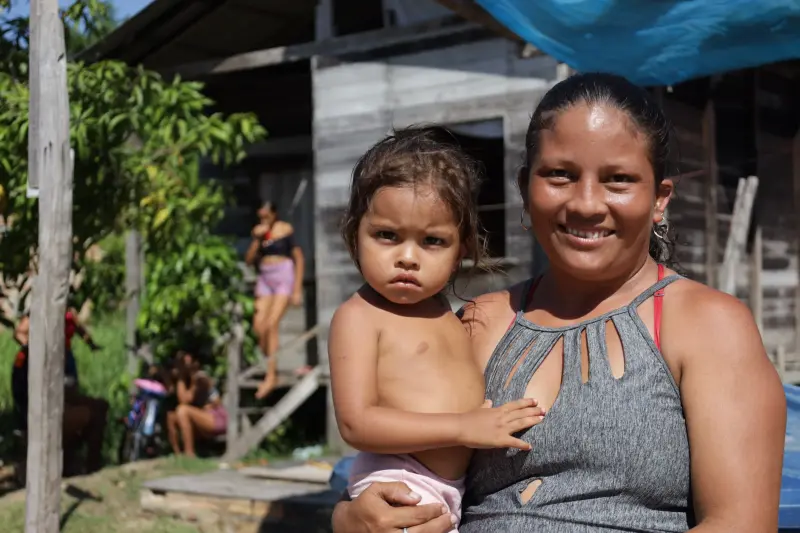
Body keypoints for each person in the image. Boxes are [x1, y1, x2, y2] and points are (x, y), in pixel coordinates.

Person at [331, 73, 786, 532]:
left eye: (619, 180)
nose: (586, 203)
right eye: (560, 175)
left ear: (659, 199)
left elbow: (741, 523)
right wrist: (350, 518)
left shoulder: (707, 324)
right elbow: (401, 462)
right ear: (526, 188)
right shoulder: (479, 321)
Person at [329, 126, 546, 531]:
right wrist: (466, 426)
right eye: (386, 236)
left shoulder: (448, 312)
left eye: (432, 241)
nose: (407, 257)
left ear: (461, 248)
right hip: (399, 483)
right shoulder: (360, 316)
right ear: (354, 233)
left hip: (451, 490)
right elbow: (356, 423)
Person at [11, 310, 109, 475]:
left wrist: (91, 344)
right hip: (40, 415)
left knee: (99, 407)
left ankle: (84, 464)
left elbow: (80, 330)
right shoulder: (32, 354)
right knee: (94, 413)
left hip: (57, 396)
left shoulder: (68, 316)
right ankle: (86, 465)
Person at [245, 201, 306, 400]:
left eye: (266, 216)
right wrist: (256, 240)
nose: (263, 220)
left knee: (271, 325)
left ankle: (271, 376)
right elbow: (249, 260)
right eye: (260, 216)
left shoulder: (284, 229)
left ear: (273, 214)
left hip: (283, 274)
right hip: (265, 276)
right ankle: (272, 363)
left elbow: (299, 257)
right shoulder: (258, 233)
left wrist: (296, 289)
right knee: (258, 327)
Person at [166, 350, 228, 457]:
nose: (184, 365)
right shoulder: (188, 379)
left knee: (183, 410)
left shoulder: (201, 378)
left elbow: (185, 400)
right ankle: (177, 455)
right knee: (171, 417)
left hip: (216, 418)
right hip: (202, 416)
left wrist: (180, 375)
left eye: (186, 362)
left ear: (196, 363)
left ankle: (189, 453)